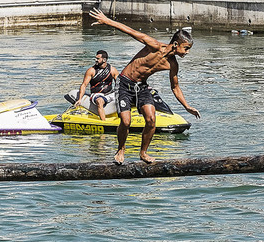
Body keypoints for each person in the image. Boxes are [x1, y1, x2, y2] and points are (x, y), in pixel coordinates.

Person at [89, 9, 200, 164]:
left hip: (141, 87)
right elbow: (131, 32)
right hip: (124, 83)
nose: (187, 53)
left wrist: (187, 107)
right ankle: (121, 149)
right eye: (186, 48)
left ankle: (143, 153)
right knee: (126, 121)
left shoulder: (172, 64)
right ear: (176, 44)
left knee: (151, 119)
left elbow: (175, 87)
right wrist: (107, 21)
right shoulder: (154, 46)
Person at [76, 50, 120, 121]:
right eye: (95, 58)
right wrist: (80, 99)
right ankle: (104, 122)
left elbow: (119, 84)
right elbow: (84, 85)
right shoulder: (91, 71)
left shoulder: (112, 70)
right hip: (97, 94)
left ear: (104, 59)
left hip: (110, 93)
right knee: (100, 101)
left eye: (98, 58)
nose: (95, 60)